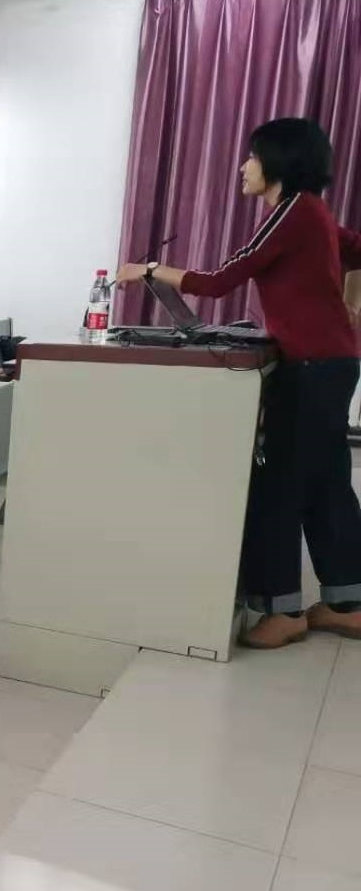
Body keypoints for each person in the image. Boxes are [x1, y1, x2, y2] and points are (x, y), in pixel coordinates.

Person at [115, 118, 361, 648]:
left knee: (280, 487)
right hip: (332, 363)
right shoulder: (313, 212)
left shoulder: (291, 212)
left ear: (279, 161)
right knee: (326, 483)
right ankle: (347, 603)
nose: (243, 166)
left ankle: (283, 611)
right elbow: (356, 250)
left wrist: (149, 269)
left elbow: (220, 279)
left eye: (252, 156)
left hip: (312, 367)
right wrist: (346, 306)